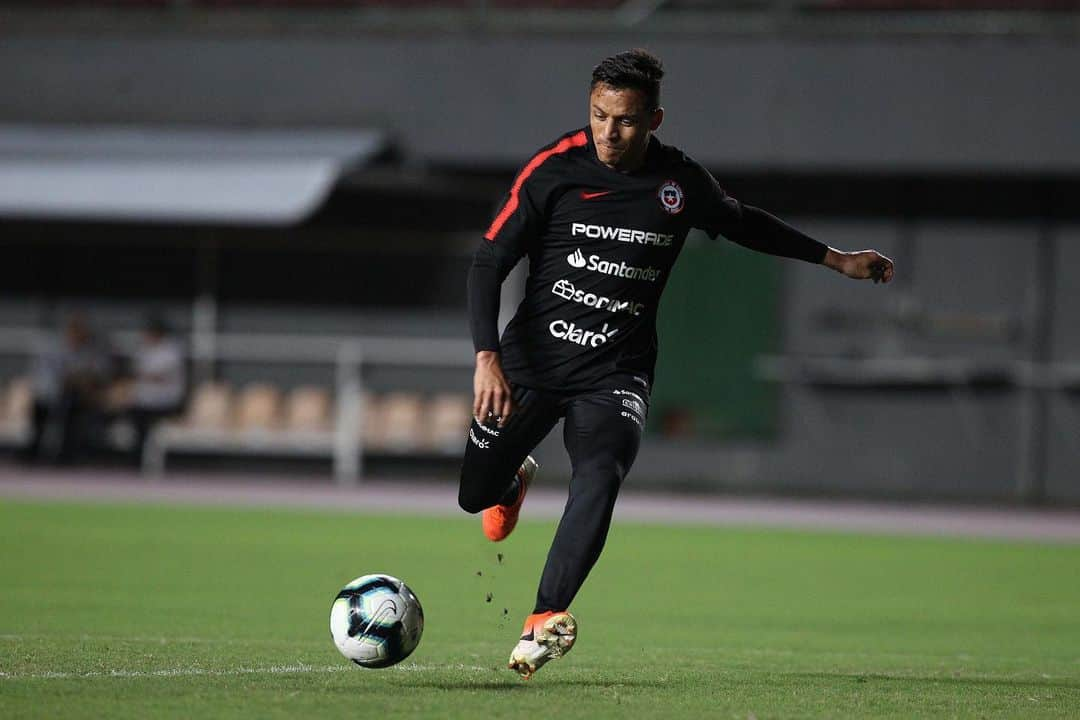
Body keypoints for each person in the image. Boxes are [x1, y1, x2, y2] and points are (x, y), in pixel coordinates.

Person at [458, 49, 894, 680]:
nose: (610, 132)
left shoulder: (679, 184)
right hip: (529, 363)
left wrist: (837, 259)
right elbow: (487, 262)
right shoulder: (555, 170)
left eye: (627, 120)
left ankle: (543, 619)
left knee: (600, 474)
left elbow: (746, 224)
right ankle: (509, 480)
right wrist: (485, 356)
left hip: (615, 371)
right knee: (474, 497)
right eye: (600, 115)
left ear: (654, 119)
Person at [22, 314, 110, 465]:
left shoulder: (89, 350)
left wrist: (82, 381)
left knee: (74, 412)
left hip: (72, 396)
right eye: (75, 332)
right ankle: (34, 454)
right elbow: (55, 375)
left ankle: (65, 456)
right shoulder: (54, 347)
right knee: (40, 417)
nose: (78, 336)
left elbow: (96, 372)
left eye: (82, 333)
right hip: (48, 393)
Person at [124, 314, 186, 467]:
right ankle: (133, 462)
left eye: (149, 332)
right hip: (144, 401)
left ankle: (139, 464)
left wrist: (142, 375)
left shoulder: (171, 350)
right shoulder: (144, 349)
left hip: (166, 402)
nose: (145, 335)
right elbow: (137, 374)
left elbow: (157, 376)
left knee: (141, 420)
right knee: (129, 415)